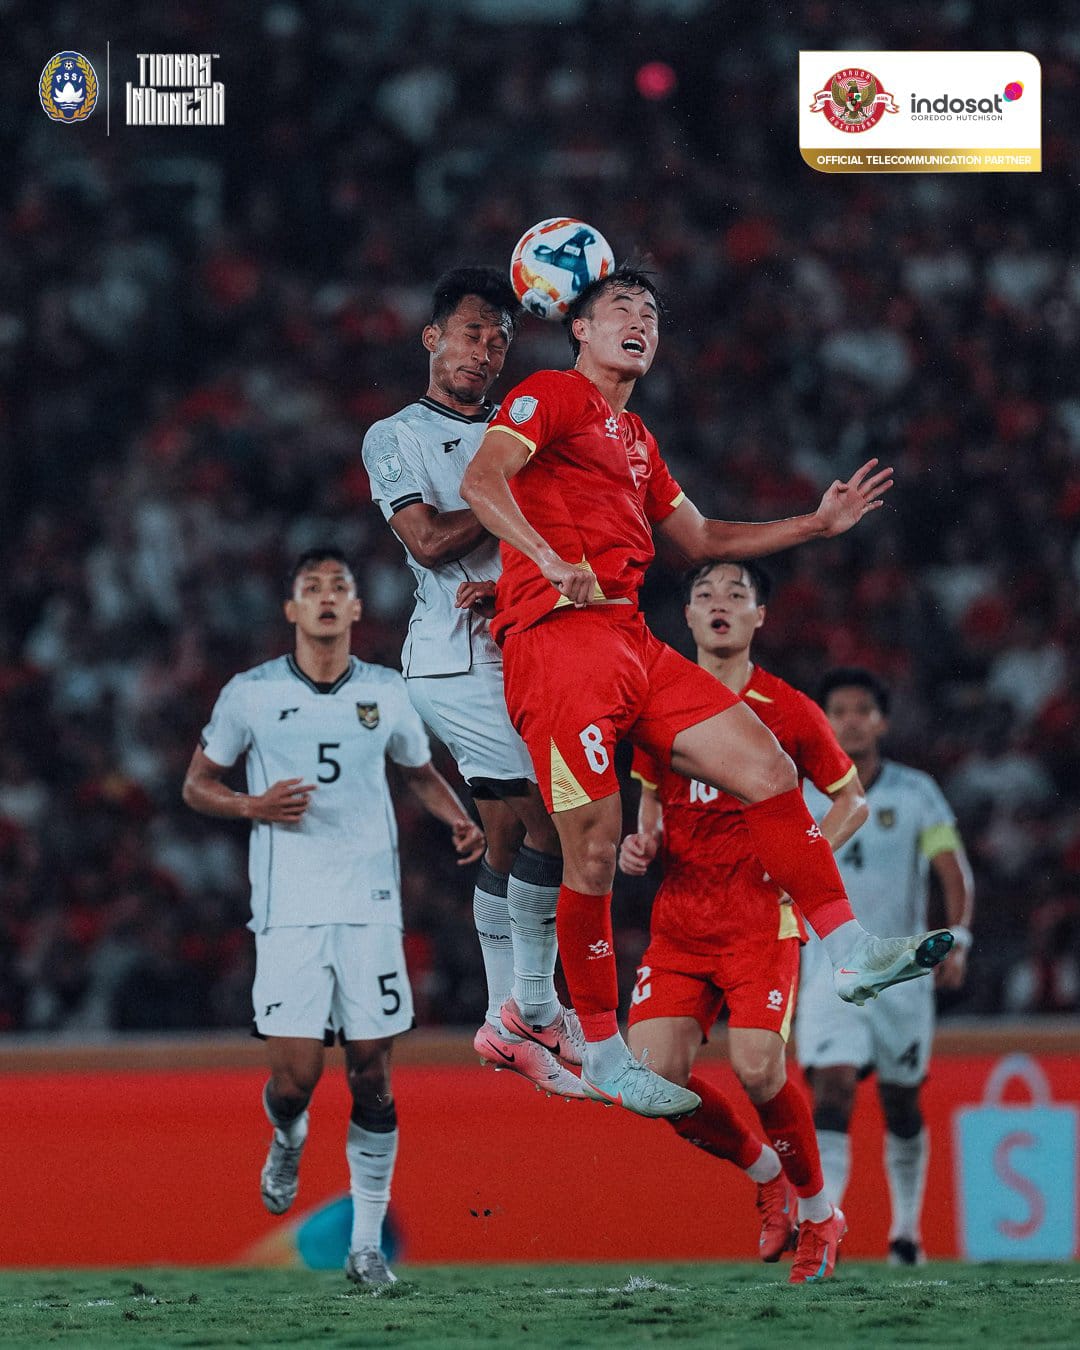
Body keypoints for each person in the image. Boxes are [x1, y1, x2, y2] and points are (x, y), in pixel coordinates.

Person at [460, 266, 954, 1120]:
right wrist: (543, 560)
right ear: (577, 327)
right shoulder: (550, 395)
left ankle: (849, 951)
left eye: (653, 311)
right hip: (558, 645)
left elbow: (702, 537)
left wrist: (815, 522)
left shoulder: (638, 439)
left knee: (767, 768)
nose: (641, 320)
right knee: (592, 850)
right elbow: (482, 481)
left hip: (630, 640)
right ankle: (605, 1051)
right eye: (621, 307)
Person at [181, 547, 485, 1286]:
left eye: (337, 587)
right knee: (295, 1078)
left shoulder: (386, 691)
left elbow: (417, 770)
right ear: (291, 610)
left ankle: (366, 1245)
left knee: (373, 1075)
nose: (324, 597)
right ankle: (287, 1135)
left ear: (354, 609)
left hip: (370, 908)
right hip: (288, 911)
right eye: (311, 587)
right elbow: (197, 785)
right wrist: (253, 805)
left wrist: (459, 819)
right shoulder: (249, 695)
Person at [361, 267, 584, 1101]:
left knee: (508, 842)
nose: (484, 351)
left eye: (498, 339)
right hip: (458, 659)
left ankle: (499, 1018)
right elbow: (423, 540)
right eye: (468, 333)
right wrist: (499, 495)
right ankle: (536, 1006)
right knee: (560, 822)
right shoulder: (394, 436)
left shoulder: (511, 433)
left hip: (525, 643)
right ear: (432, 338)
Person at [619, 561, 864, 1283]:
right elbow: (652, 806)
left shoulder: (787, 709)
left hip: (760, 917)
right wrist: (644, 840)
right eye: (703, 595)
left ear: (760, 616)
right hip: (682, 920)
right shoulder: (655, 703)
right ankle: (768, 1175)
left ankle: (821, 1214)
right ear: (687, 619)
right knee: (650, 1080)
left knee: (759, 1068)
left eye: (735, 595)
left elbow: (850, 801)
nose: (718, 604)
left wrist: (800, 866)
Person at [796, 666, 975, 1265]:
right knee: (833, 1089)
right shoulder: (800, 790)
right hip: (826, 969)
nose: (850, 719)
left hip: (901, 972)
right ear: (823, 720)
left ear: (882, 721)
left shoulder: (915, 792)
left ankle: (905, 1234)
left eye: (861, 709)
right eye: (839, 709)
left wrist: (962, 936)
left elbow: (952, 869)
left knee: (901, 1101)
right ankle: (826, 1232)